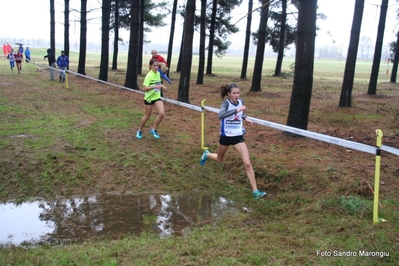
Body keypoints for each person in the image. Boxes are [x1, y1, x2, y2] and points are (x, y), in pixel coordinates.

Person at [200, 83, 267, 199]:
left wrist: (246, 118)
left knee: (247, 162)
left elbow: (241, 114)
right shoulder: (226, 103)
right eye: (234, 93)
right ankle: (207, 154)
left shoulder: (241, 102)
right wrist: (237, 110)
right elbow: (220, 115)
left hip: (238, 136)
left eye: (238, 93)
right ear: (228, 94)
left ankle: (255, 191)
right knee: (219, 159)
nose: (236, 95)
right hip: (226, 136)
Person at [136, 59, 167, 139]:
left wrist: (162, 86)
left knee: (161, 114)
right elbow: (144, 88)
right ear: (150, 66)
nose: (156, 67)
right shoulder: (149, 76)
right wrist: (154, 87)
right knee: (147, 116)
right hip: (149, 98)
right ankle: (140, 130)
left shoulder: (158, 73)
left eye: (157, 66)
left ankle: (153, 129)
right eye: (154, 66)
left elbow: (158, 82)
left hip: (157, 97)